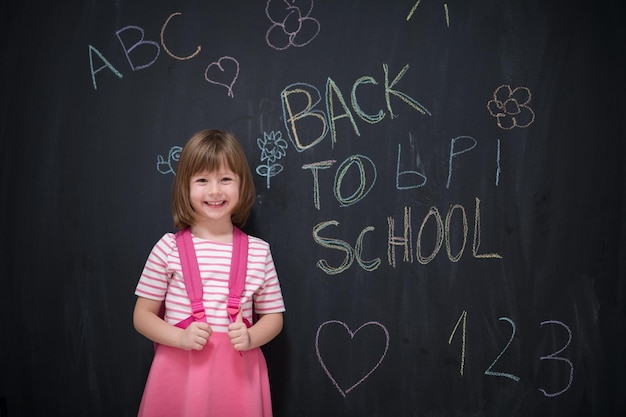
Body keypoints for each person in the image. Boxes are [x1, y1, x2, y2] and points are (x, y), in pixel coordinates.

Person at [133, 129, 285, 417]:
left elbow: (274, 318)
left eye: (226, 179)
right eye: (202, 180)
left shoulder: (259, 251)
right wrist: (179, 338)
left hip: (238, 380)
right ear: (185, 188)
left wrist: (251, 337)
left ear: (242, 185)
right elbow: (142, 316)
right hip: (180, 376)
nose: (215, 191)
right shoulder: (168, 249)